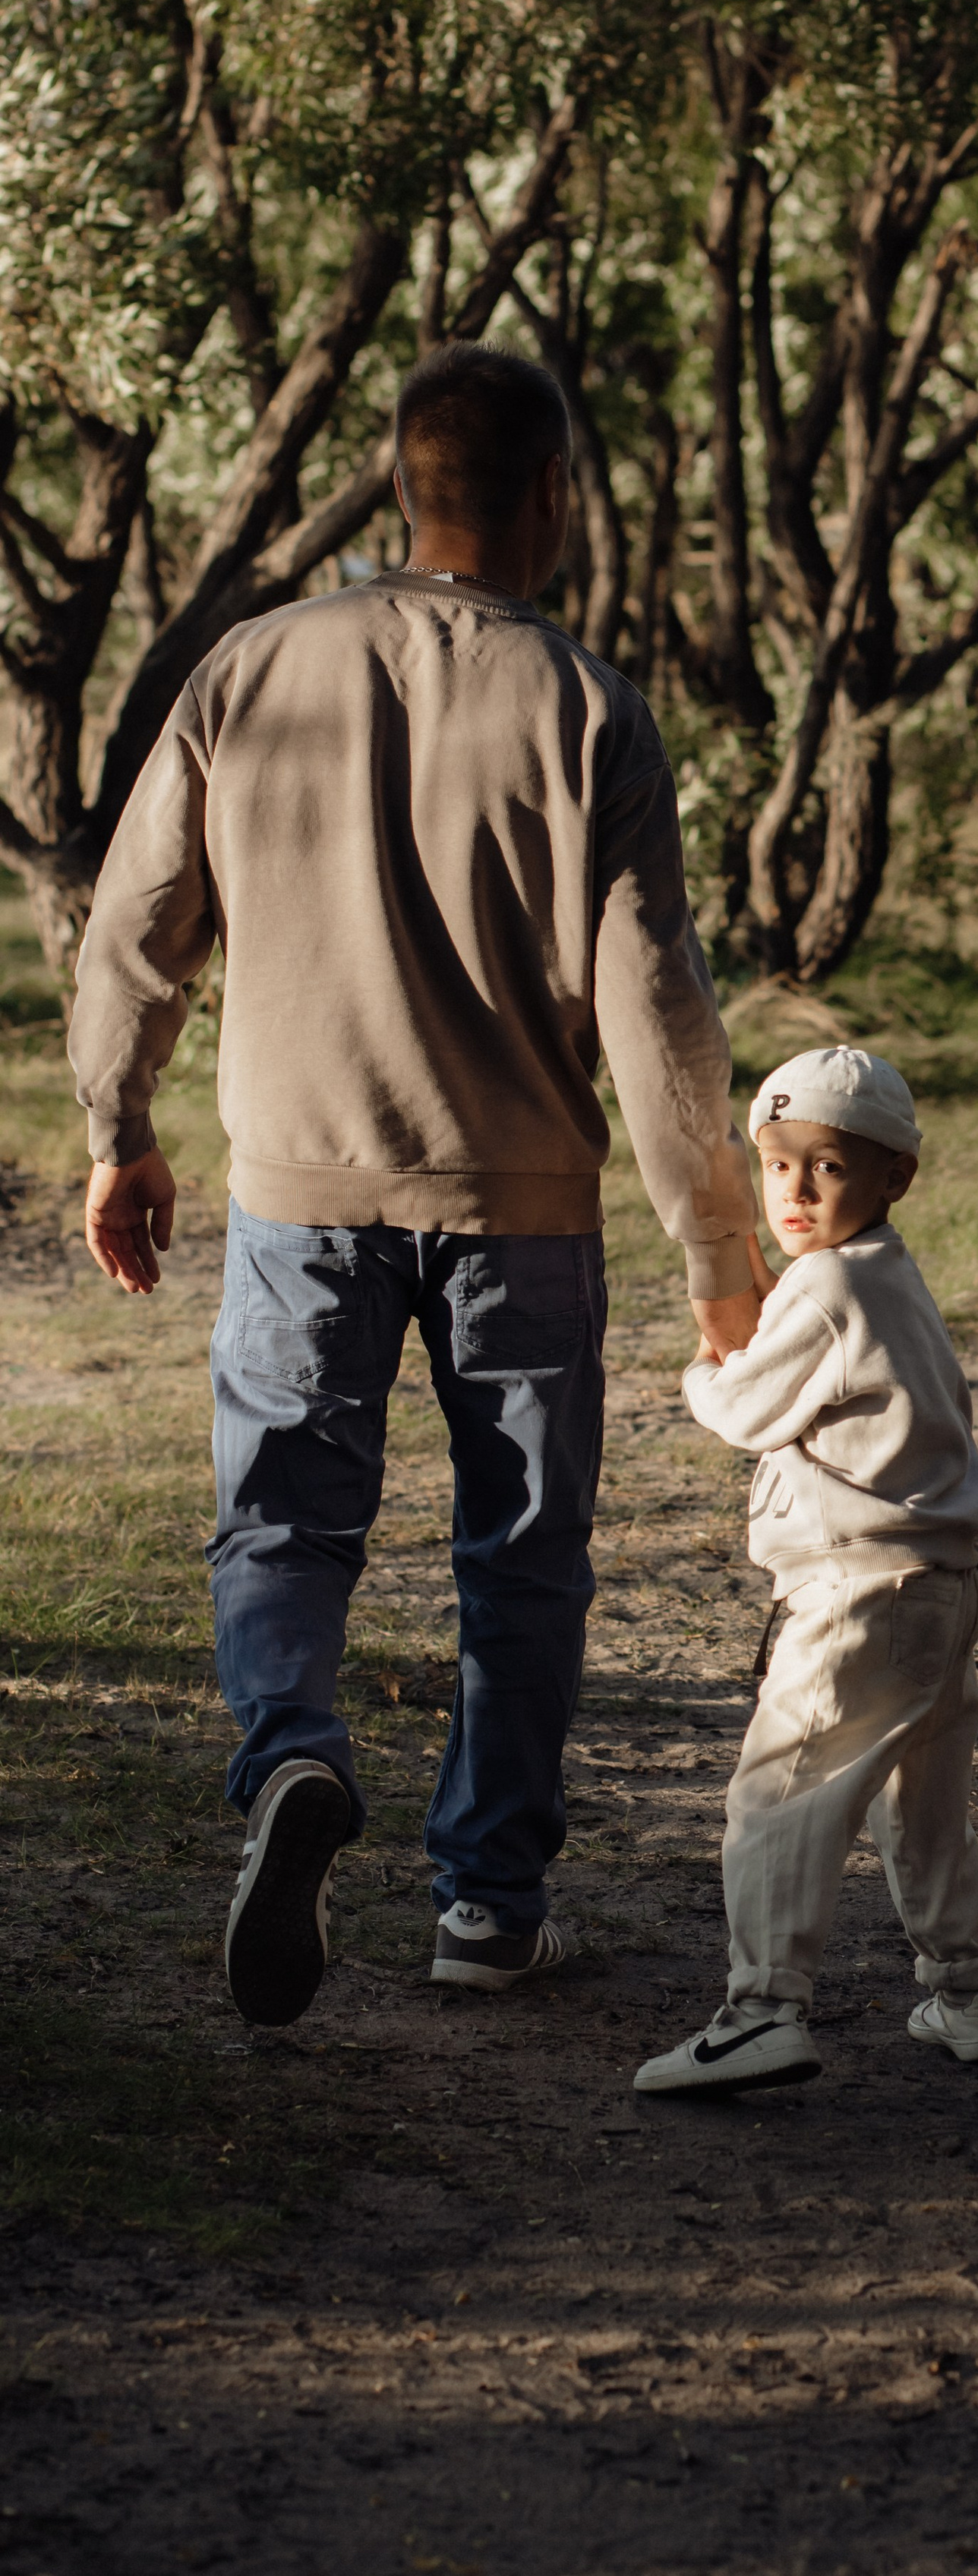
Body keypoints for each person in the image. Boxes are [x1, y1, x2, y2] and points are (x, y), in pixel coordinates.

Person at [68, 342, 762, 2027]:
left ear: (396, 487)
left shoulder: (251, 664)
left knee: (284, 1518)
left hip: (301, 1192)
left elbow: (138, 923)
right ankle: (488, 1906)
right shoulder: (586, 705)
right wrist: (719, 1243)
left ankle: (293, 1755)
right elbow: (653, 1002)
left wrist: (118, 1126)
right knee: (520, 1553)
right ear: (554, 498)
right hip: (519, 1206)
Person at [633, 1046, 978, 2095]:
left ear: (896, 1176)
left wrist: (705, 1365)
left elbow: (743, 1407)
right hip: (941, 1581)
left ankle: (762, 2011)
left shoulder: (829, 1285)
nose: (795, 1191)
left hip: (861, 1592)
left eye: (829, 1167)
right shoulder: (886, 1270)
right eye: (778, 1165)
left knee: (783, 1787)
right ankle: (970, 1994)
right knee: (921, 1805)